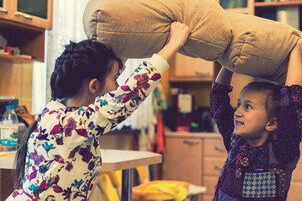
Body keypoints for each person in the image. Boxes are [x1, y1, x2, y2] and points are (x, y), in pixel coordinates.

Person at [8, 22, 191, 201]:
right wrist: (173, 44)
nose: (118, 86)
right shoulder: (66, 124)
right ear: (94, 86)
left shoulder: (58, 117)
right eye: (115, 79)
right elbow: (126, 97)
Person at [210, 35, 302, 200]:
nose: (237, 112)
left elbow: (292, 103)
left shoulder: (282, 152)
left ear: (272, 123)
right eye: (239, 104)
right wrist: (229, 62)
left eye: (248, 107)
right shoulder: (235, 142)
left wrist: (297, 52)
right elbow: (218, 98)